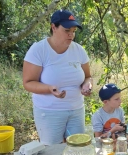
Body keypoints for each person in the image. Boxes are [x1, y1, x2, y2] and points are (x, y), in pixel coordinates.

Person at [22, 9, 92, 145]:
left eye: (74, 31)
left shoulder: (79, 50)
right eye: (67, 30)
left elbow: (88, 77)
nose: (71, 35)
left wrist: (87, 85)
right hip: (49, 112)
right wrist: (49, 89)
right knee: (52, 154)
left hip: (76, 110)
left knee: (77, 150)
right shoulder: (39, 50)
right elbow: (28, 83)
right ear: (53, 27)